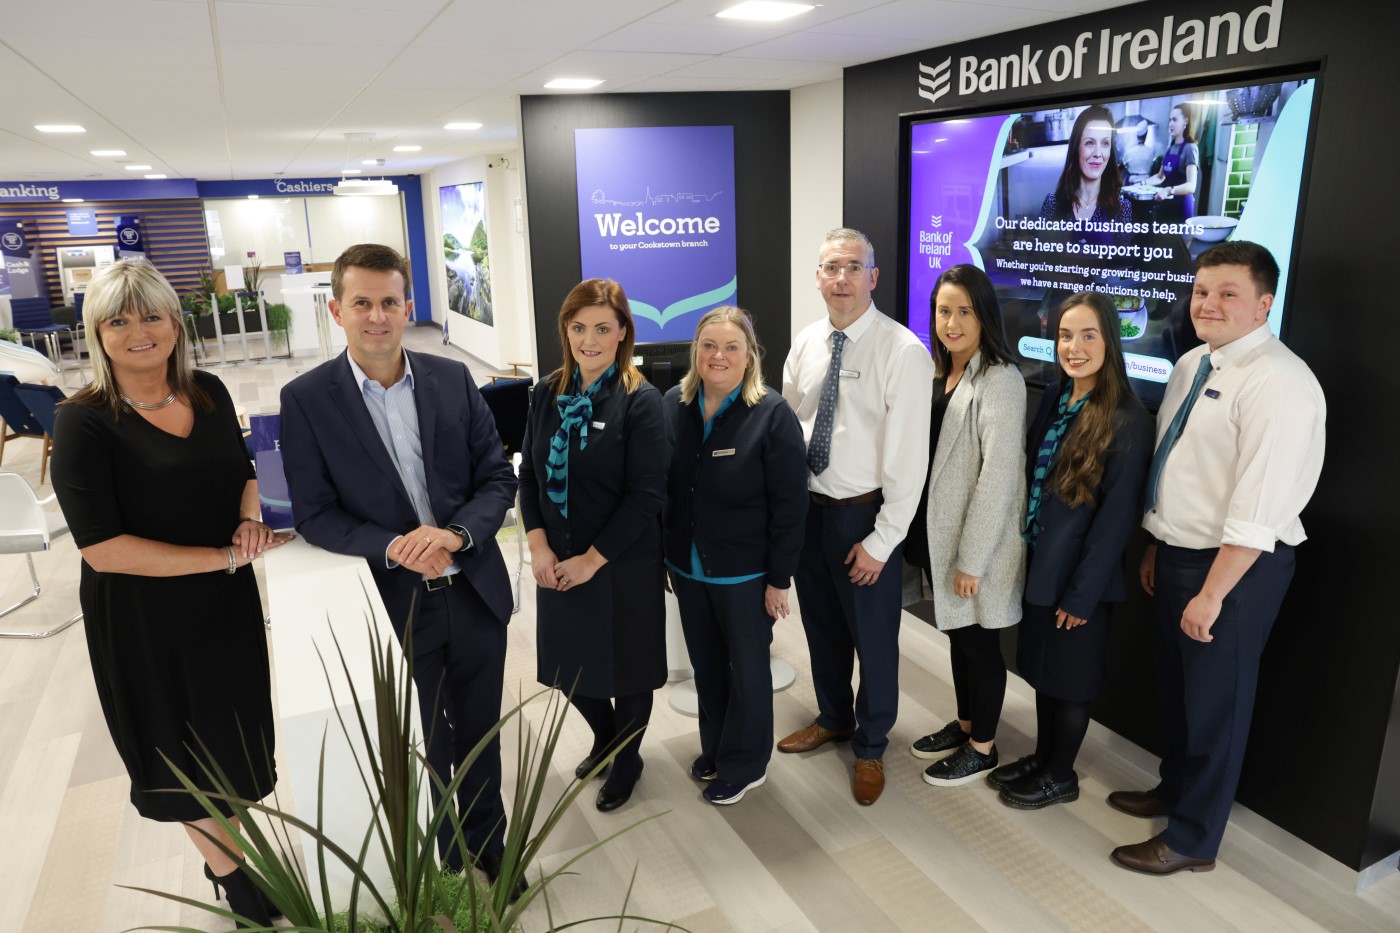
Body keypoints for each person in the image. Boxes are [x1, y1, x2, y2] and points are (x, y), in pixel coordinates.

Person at [50, 259, 292, 928]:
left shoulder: (207, 391)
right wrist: (220, 556)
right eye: (118, 319)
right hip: (142, 619)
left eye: (151, 314)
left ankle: (227, 853)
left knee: (232, 741)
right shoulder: (83, 422)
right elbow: (102, 548)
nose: (138, 331)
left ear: (175, 323)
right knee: (176, 752)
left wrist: (250, 517)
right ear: (96, 333)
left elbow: (247, 472)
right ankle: (234, 876)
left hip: (222, 605)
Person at [279, 244, 522, 897]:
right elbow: (315, 513)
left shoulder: (450, 379)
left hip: (473, 591)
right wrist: (396, 545)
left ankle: (489, 846)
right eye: (362, 303)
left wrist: (456, 533)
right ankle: (440, 863)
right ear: (337, 310)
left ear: (408, 306)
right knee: (423, 745)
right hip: (395, 603)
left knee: (481, 735)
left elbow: (497, 477)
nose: (378, 317)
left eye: (390, 302)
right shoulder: (305, 400)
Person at [1110, 241, 1325, 875]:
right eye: (1202, 291)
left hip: (1234, 572)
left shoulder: (1280, 383)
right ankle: (1174, 789)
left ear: (1264, 303)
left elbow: (1257, 508)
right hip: (1179, 554)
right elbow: (1181, 468)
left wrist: (1213, 593)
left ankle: (1192, 839)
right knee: (1179, 696)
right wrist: (1157, 541)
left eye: (1228, 293)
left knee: (1216, 710)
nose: (1209, 304)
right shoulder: (1191, 365)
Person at [779, 228, 934, 806]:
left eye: (852, 267)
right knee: (821, 628)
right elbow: (789, 424)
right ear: (817, 278)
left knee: (874, 641)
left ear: (873, 277)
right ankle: (834, 717)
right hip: (810, 514)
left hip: (863, 519)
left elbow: (909, 461)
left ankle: (871, 745)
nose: (840, 278)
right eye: (829, 267)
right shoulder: (807, 342)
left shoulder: (903, 352)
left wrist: (882, 541)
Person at [989, 291, 1152, 809]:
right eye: (1065, 335)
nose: (1074, 347)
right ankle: (1042, 758)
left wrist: (1080, 598)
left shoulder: (1128, 417)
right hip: (1043, 566)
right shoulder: (1060, 398)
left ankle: (1061, 775)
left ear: (1110, 341)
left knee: (1072, 684)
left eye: (1088, 336)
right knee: (1043, 674)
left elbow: (1115, 522)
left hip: (1082, 582)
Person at [518, 278, 667, 813]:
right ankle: (607, 737)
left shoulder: (640, 400)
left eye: (603, 328)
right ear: (565, 330)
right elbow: (529, 480)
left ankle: (627, 758)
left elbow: (646, 495)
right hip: (557, 558)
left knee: (628, 670)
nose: (589, 340)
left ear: (622, 332)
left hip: (621, 560)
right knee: (567, 668)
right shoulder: (546, 392)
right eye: (579, 327)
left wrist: (591, 560)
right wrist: (539, 549)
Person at [662, 306, 808, 806]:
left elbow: (791, 505)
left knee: (747, 670)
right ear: (695, 352)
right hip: (687, 567)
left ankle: (746, 764)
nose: (717, 356)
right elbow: (665, 489)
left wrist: (779, 579)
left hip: (745, 574)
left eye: (730, 347)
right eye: (708, 346)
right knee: (707, 665)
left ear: (750, 357)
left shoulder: (771, 414)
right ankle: (718, 748)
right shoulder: (672, 406)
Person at [903, 264, 1027, 788]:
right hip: (941, 535)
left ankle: (984, 747)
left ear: (984, 316)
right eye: (943, 310)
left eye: (964, 312)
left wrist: (972, 559)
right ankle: (965, 723)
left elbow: (997, 478)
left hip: (979, 544)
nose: (951, 322)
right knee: (956, 635)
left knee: (979, 644)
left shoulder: (1000, 379)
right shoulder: (942, 371)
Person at [1040, 104, 1133, 245]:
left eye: (1105, 143)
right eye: (1090, 143)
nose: (1098, 153)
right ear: (1076, 148)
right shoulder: (1052, 203)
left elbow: (1123, 264)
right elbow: (1041, 260)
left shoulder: (1122, 208)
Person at [1148, 104, 1200, 218]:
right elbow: (1159, 177)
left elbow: (1191, 186)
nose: (1170, 124)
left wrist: (1168, 190)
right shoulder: (1170, 148)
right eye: (1170, 120)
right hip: (1167, 202)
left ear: (1185, 121)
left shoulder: (1190, 148)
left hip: (1181, 204)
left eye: (1175, 120)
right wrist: (1141, 184)